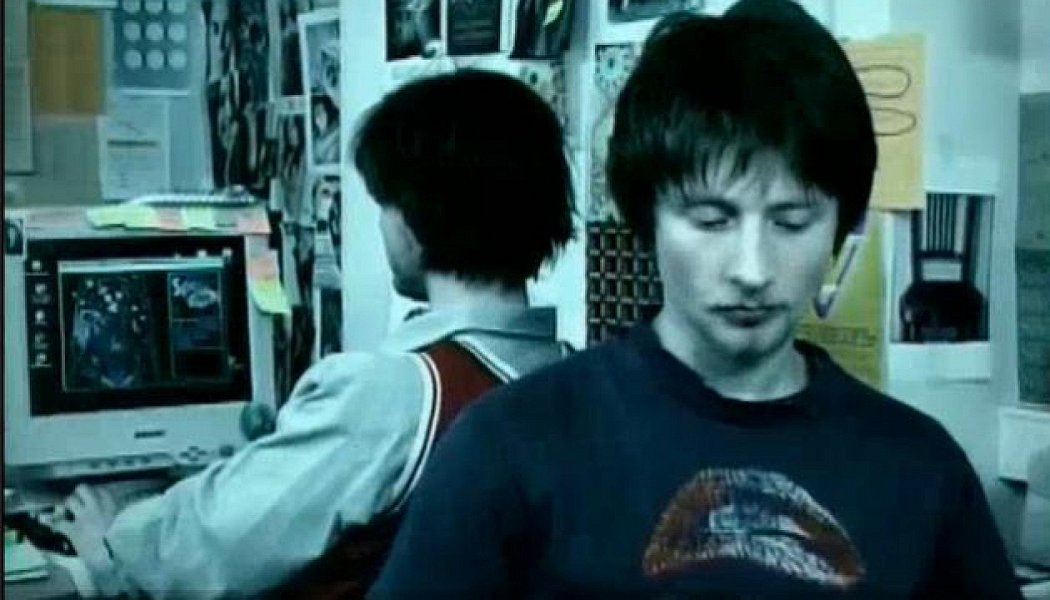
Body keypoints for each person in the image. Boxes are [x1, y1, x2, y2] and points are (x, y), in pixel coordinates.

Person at [372, 1, 1023, 598]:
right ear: (646, 220)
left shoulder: (919, 466)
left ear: (842, 228)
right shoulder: (512, 446)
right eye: (712, 221)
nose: (752, 270)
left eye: (791, 222)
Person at [53, 69, 576, 599]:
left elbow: (206, 550)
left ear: (414, 219)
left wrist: (112, 544)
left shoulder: (392, 393)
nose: (381, 223)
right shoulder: (576, 379)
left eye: (384, 204)